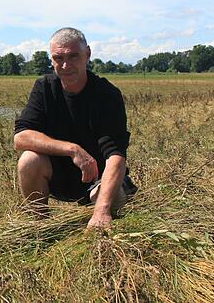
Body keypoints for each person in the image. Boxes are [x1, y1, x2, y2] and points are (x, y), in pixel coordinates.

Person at [14, 27, 136, 229]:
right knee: (28, 160)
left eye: (73, 56)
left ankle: (98, 212)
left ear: (87, 54)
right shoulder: (44, 88)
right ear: (51, 59)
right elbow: (21, 137)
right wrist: (72, 150)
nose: (65, 65)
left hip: (99, 178)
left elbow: (116, 156)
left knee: (110, 200)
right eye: (58, 58)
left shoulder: (107, 95)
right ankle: (41, 227)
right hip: (61, 175)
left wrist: (101, 211)